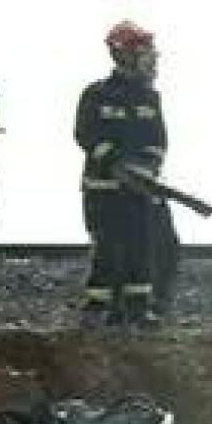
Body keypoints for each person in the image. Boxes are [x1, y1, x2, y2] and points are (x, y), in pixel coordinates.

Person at [74, 20, 168, 329]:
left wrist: (147, 170)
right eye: (143, 51)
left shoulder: (150, 98)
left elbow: (158, 142)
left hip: (139, 191)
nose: (150, 58)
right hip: (103, 189)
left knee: (141, 247)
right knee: (108, 247)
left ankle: (138, 309)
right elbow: (85, 135)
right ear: (122, 54)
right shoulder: (96, 94)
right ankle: (98, 308)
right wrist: (114, 162)